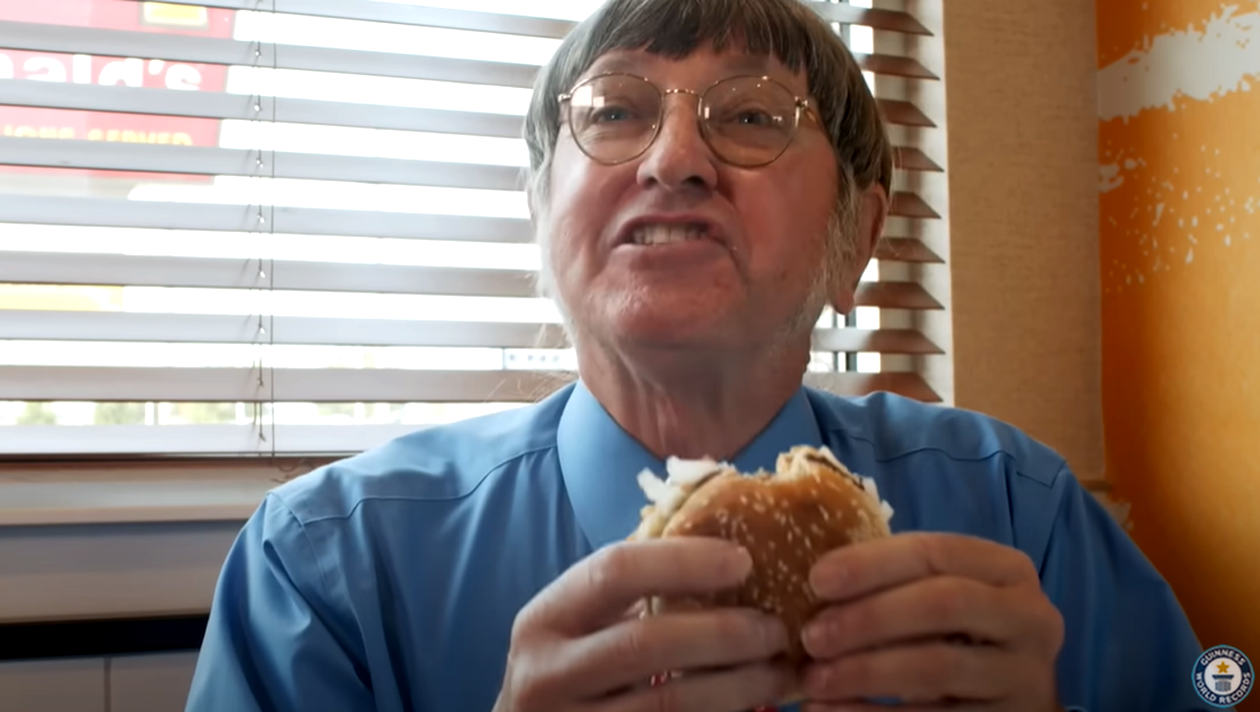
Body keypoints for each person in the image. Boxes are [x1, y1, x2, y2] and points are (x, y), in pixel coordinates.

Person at [184, 0, 1216, 710]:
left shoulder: (1021, 513)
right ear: (541, 215)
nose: (674, 159)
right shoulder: (327, 569)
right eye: (615, 112)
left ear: (855, 241)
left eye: (754, 115)